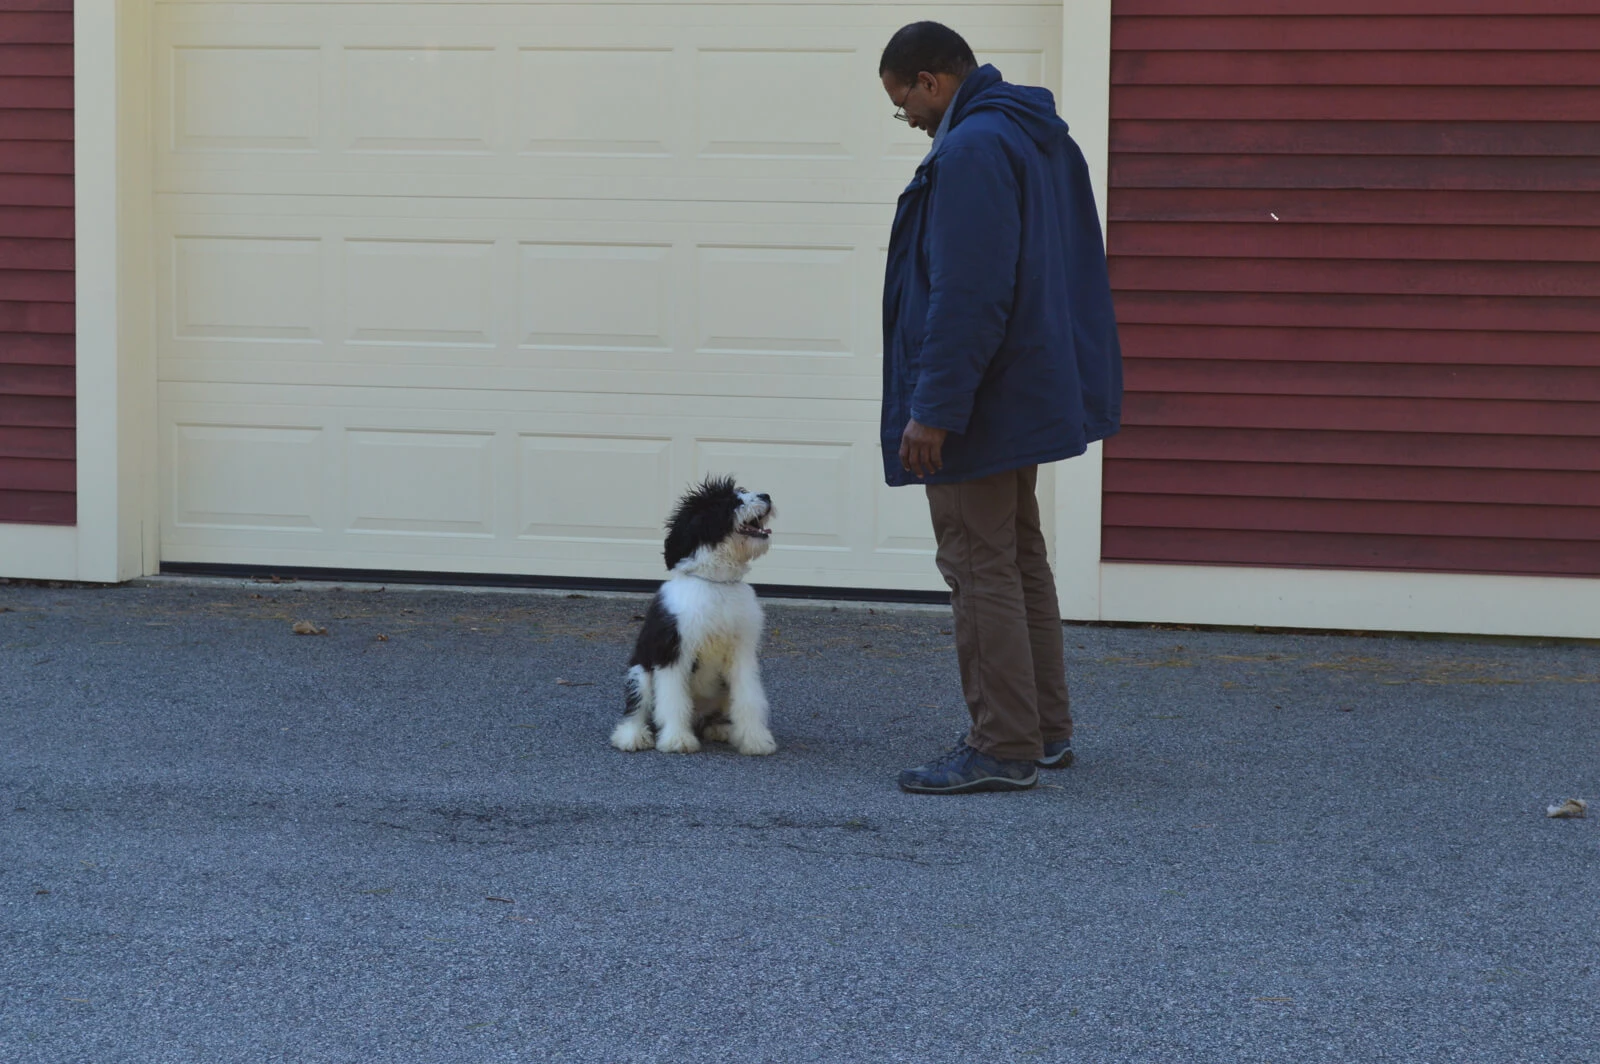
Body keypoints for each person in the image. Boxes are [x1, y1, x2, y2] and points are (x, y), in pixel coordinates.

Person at [877, 22, 1123, 794]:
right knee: (1018, 560)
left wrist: (934, 408)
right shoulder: (1035, 134)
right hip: (1021, 387)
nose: (908, 120)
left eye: (903, 103)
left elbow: (970, 294)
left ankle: (1002, 745)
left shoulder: (974, 148)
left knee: (979, 566)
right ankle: (1043, 731)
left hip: (977, 399)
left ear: (931, 80)